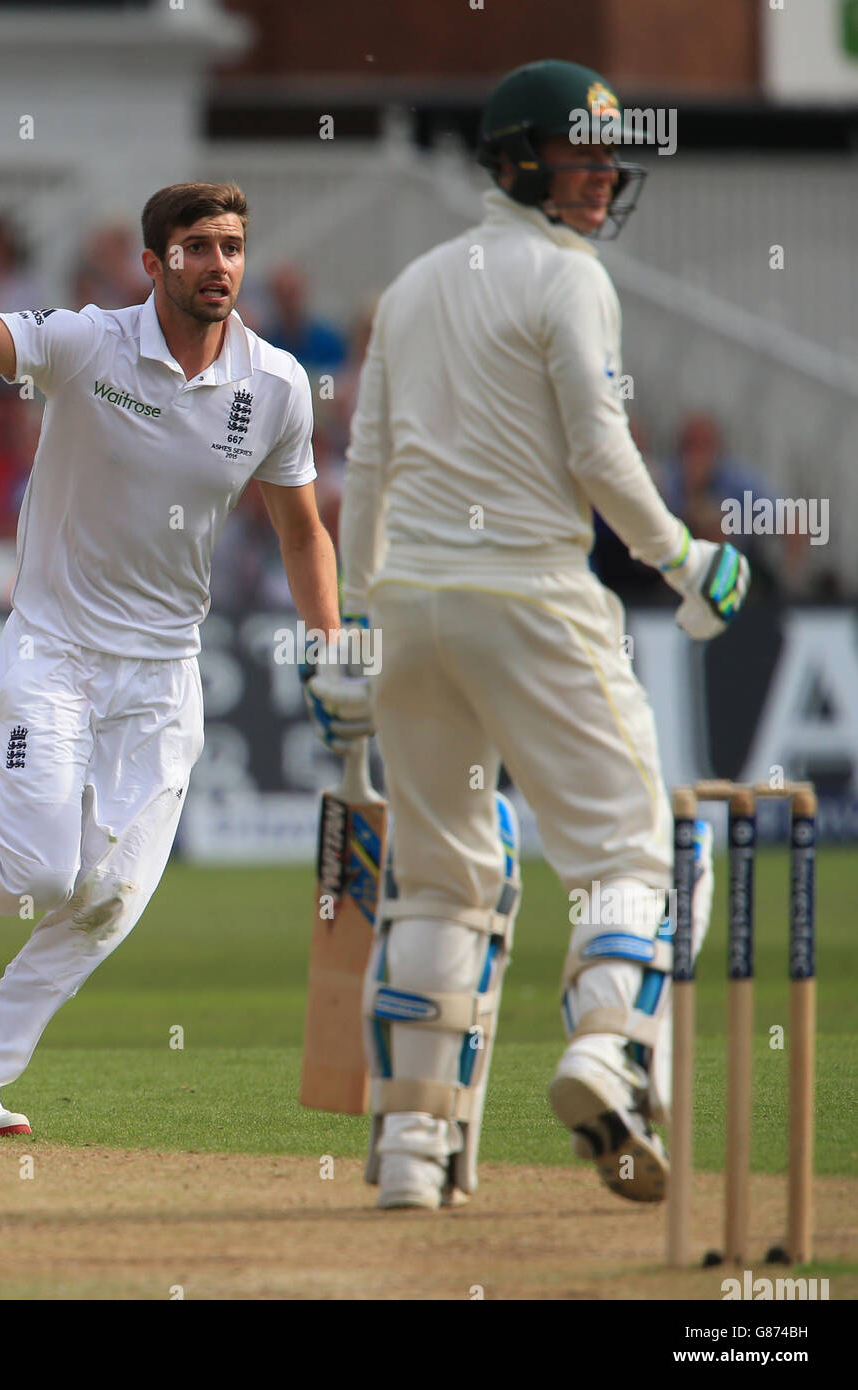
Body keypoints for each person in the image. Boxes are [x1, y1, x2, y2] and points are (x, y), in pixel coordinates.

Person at [309, 60, 750, 1210]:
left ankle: (412, 1154)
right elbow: (601, 454)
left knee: (443, 877)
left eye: (610, 160)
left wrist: (355, 621)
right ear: (516, 160)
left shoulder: (410, 285)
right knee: (634, 853)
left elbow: (366, 466)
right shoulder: (568, 276)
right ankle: (605, 1051)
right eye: (580, 157)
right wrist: (684, 558)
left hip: (410, 609)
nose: (602, 178)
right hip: (534, 603)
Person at [0, 183, 340, 1140]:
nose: (220, 265)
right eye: (197, 247)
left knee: (106, 900)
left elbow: (302, 531)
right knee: (29, 877)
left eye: (233, 246)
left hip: (164, 672)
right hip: (57, 649)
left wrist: (332, 642)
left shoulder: (275, 383)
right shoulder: (85, 343)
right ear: (153, 265)